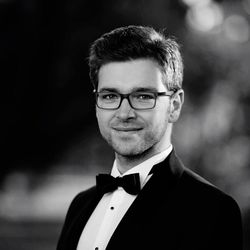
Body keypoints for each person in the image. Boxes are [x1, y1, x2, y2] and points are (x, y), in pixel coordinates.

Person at [57, 25, 242, 250]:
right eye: (110, 96)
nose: (124, 114)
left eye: (143, 96)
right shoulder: (80, 205)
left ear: (174, 105)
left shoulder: (212, 210)